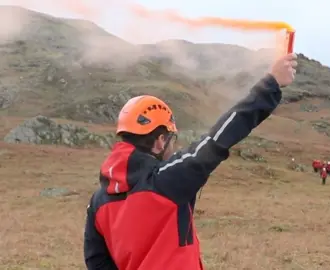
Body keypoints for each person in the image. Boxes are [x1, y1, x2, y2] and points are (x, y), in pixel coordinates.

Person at [83, 53, 298, 270]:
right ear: (160, 141)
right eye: (171, 139)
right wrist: (271, 84)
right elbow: (219, 138)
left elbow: (96, 262)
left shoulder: (98, 202)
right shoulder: (166, 180)